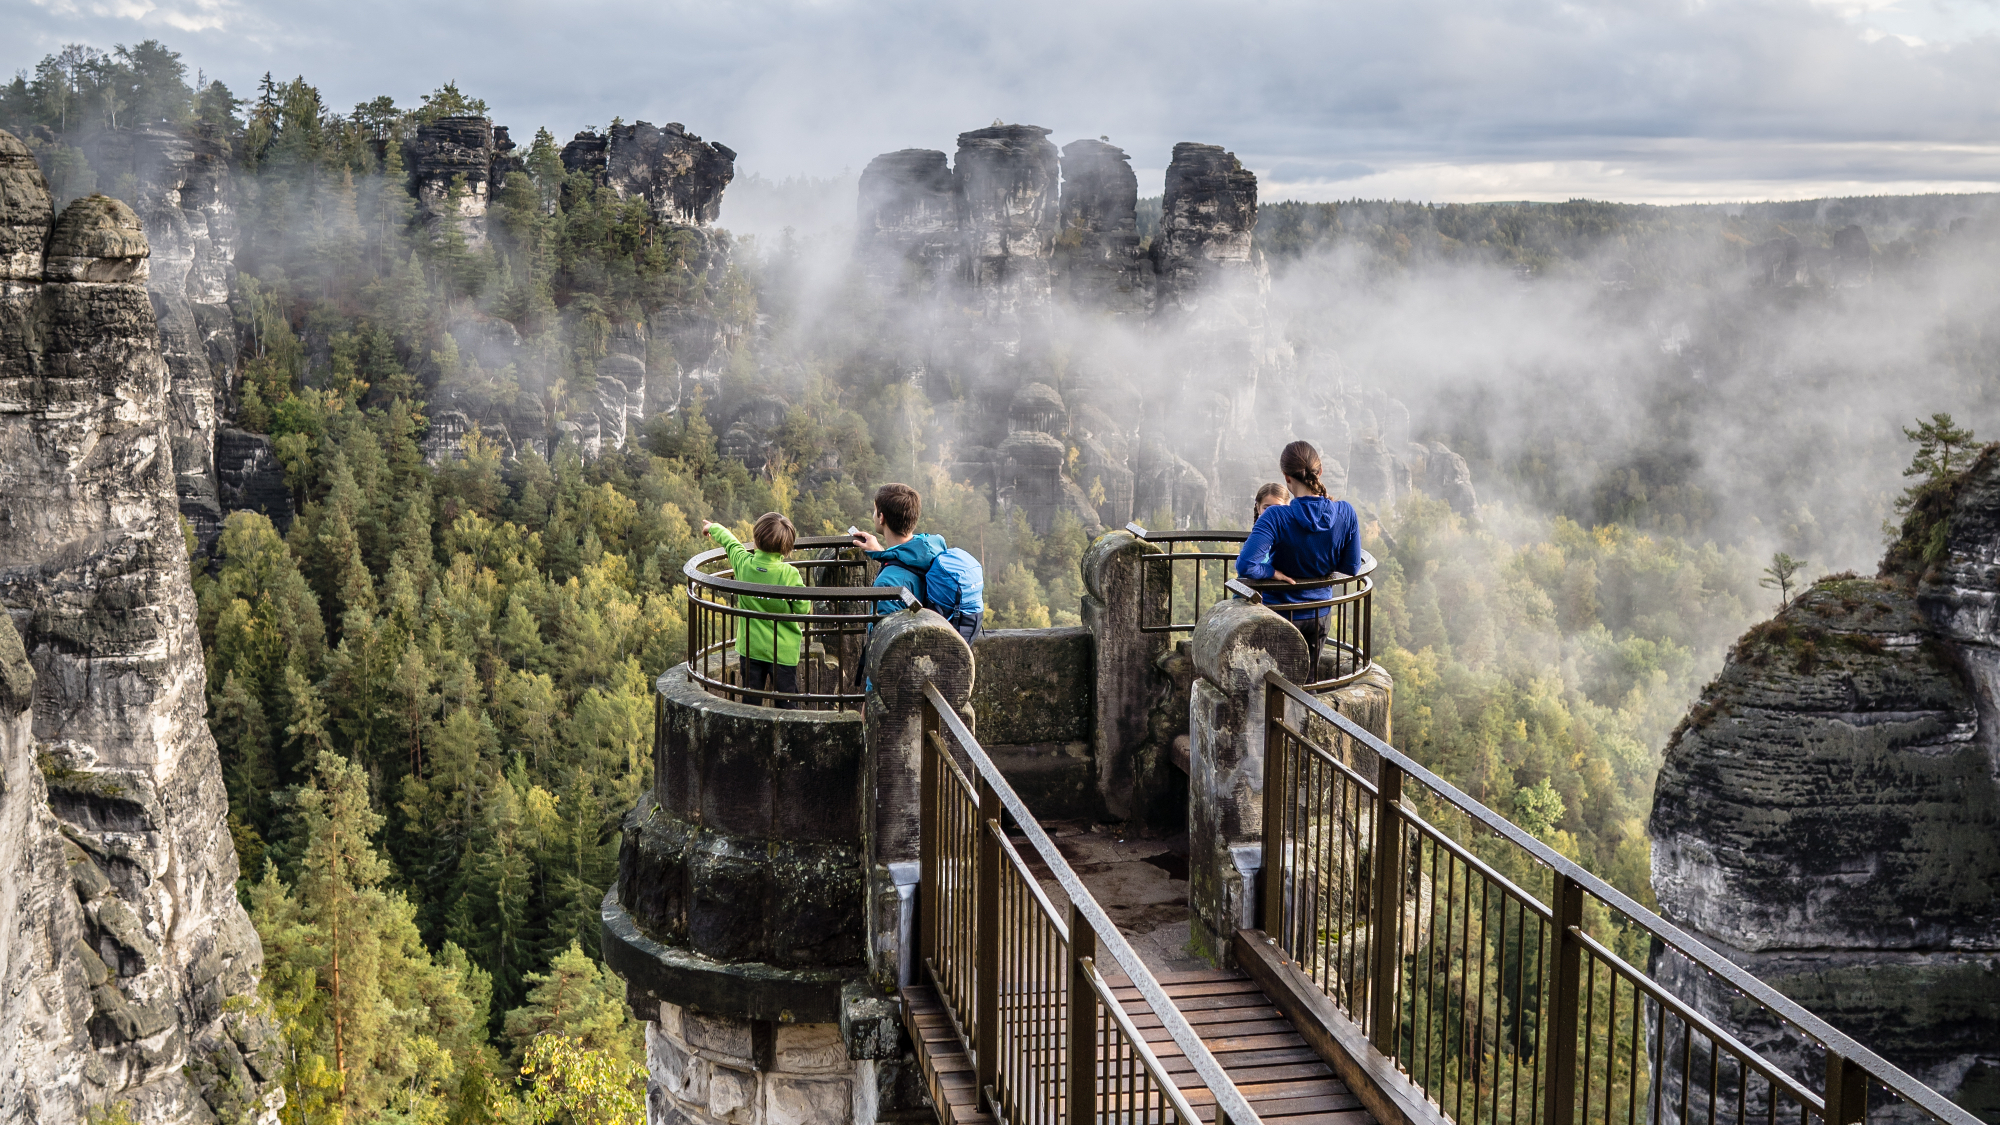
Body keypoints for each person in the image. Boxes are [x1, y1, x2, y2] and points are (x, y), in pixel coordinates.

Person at [1236, 441, 1361, 673]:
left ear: (1287, 477)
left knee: (1274, 682)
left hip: (1281, 613)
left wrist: (1272, 572)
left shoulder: (1276, 516)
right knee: (1308, 682)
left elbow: (1246, 565)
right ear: (1320, 471)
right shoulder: (1345, 512)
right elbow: (1352, 566)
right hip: (1319, 611)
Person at [702, 512, 813, 707]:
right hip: (783, 651)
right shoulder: (789, 575)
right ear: (786, 548)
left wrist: (712, 528)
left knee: (750, 700)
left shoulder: (744, 564)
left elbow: (731, 542)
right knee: (787, 703)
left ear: (756, 539)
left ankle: (752, 735)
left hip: (751, 648)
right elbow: (803, 608)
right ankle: (787, 735)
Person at [851, 482, 984, 642]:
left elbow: (882, 642)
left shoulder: (887, 585)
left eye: (875, 510)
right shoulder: (933, 548)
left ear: (881, 517)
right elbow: (911, 567)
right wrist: (881, 553)